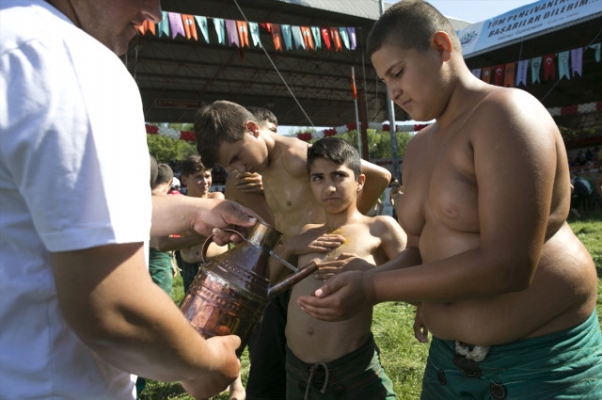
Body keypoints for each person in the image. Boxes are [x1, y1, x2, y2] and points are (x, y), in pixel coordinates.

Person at [298, 1, 602, 398]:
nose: (393, 93)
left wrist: (374, 290)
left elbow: (508, 266)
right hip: (447, 366)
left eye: (398, 73)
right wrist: (365, 277)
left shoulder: (507, 113)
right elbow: (423, 250)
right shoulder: (421, 146)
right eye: (385, 81)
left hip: (537, 365)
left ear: (442, 47)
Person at [0, 1, 260, 399]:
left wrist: (199, 209)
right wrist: (204, 363)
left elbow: (59, 215)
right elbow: (113, 307)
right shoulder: (74, 63)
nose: (153, 13)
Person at [194, 100, 392, 400]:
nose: (237, 168)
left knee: (336, 359)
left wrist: (344, 228)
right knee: (272, 375)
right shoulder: (257, 172)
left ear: (252, 129)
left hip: (317, 278)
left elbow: (379, 176)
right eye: (229, 165)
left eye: (237, 156)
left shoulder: (301, 157)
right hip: (285, 276)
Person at [270, 137, 406, 399]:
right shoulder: (306, 234)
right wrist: (288, 247)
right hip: (298, 373)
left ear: (360, 182)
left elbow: (419, 278)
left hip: (352, 372)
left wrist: (370, 273)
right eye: (318, 178)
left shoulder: (379, 228)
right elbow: (266, 281)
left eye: (338, 176)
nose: (329, 187)